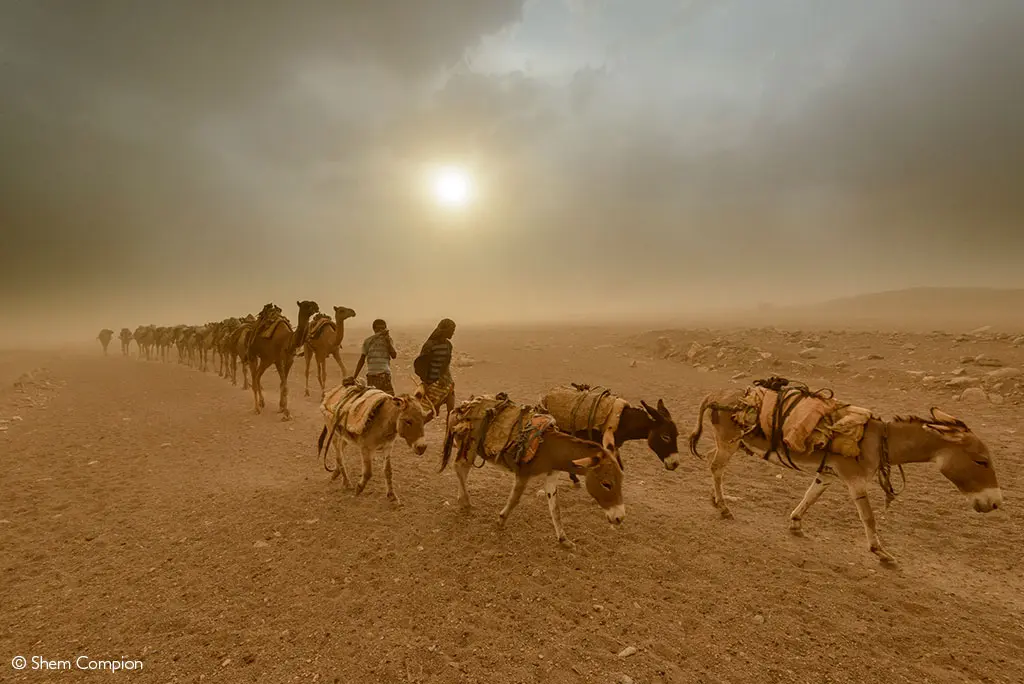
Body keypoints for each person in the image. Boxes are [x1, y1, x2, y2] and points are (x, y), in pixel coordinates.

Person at [414, 318, 456, 412]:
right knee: (425, 413)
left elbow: (446, 364)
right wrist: (427, 381)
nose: (453, 333)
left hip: (446, 382)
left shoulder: (448, 345)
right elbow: (421, 364)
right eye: (452, 330)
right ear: (445, 330)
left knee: (451, 409)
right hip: (432, 383)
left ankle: (448, 427)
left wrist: (446, 379)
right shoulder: (429, 345)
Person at [346, 319, 397, 394]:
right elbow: (362, 359)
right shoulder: (368, 341)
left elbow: (394, 355)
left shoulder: (389, 340)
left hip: (385, 376)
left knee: (391, 401)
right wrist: (354, 377)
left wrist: (388, 342)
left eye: (383, 328)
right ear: (374, 329)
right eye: (378, 328)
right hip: (372, 376)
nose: (381, 330)